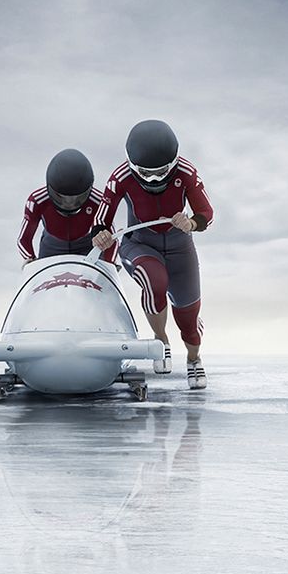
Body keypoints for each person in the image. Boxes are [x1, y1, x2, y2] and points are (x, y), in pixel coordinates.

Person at [92, 120, 214, 389]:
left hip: (180, 246)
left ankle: (194, 359)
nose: (154, 179)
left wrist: (191, 223)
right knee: (154, 280)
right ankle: (161, 340)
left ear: (172, 163)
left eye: (161, 172)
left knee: (188, 320)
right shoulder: (120, 178)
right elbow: (102, 219)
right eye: (147, 173)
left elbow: (206, 212)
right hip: (139, 242)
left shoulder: (187, 172)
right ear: (134, 166)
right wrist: (100, 234)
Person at [18, 149, 116, 264]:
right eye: (61, 197)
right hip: (51, 249)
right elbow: (23, 239)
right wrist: (31, 260)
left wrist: (110, 263)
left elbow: (111, 237)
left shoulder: (99, 202)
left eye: (76, 198)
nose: (69, 204)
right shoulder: (37, 201)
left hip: (86, 249)